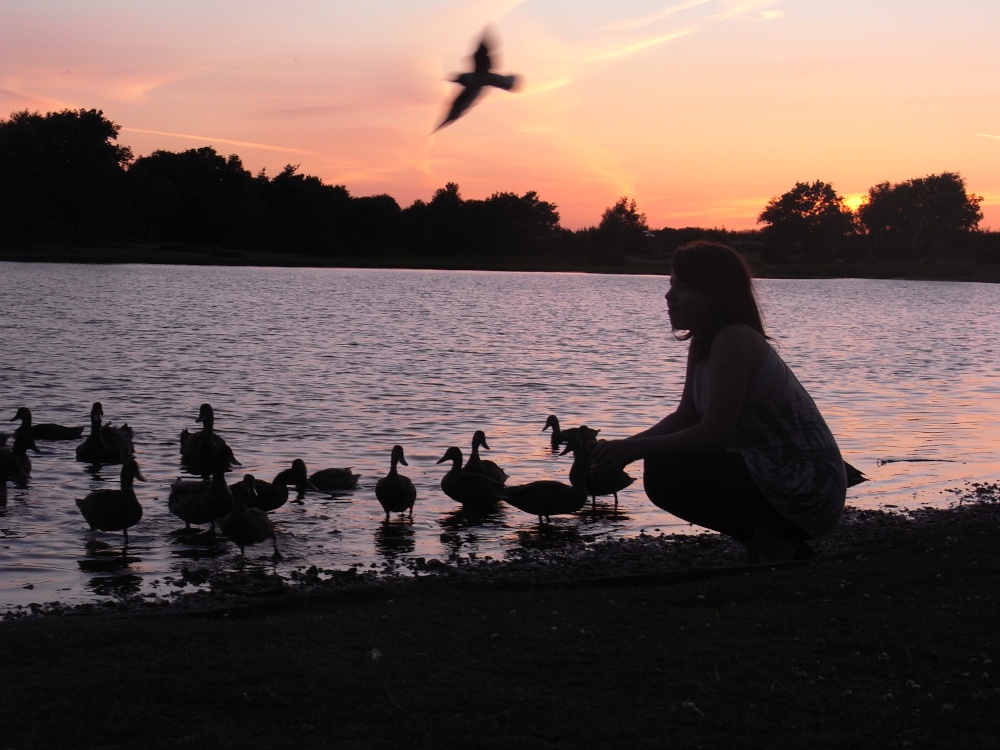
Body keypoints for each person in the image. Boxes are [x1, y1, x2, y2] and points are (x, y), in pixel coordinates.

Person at [590, 240, 847, 562]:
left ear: (715, 294)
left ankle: (778, 546)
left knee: (668, 471)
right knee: (663, 462)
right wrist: (620, 448)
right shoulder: (706, 341)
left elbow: (714, 433)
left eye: (682, 288)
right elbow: (687, 416)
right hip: (774, 473)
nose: (669, 297)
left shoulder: (734, 339)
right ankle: (768, 543)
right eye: (671, 286)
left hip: (808, 485)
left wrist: (634, 450)